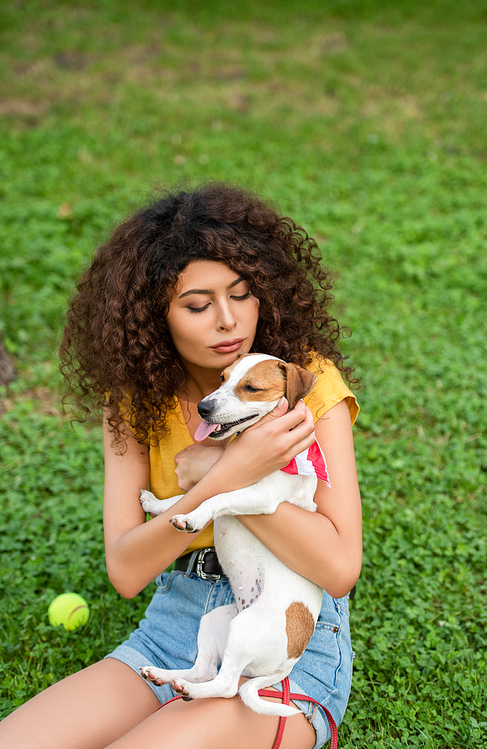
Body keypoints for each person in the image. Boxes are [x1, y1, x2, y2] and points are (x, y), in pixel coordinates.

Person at [0, 183, 362, 749]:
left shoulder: (297, 386)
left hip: (286, 647)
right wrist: (224, 475)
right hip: (174, 627)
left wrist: (231, 475)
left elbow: (339, 567)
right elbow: (125, 568)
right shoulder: (137, 402)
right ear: (152, 316)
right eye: (197, 305)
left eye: (242, 294)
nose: (228, 321)